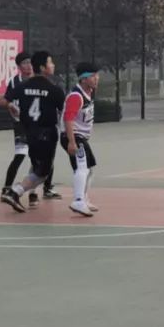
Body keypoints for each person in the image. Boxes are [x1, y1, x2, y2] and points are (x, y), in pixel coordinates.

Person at [1, 51, 65, 214]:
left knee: (37, 167)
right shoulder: (54, 89)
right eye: (50, 62)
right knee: (43, 172)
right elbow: (64, 112)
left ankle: (28, 194)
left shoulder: (23, 86)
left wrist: (7, 105)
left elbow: (5, 100)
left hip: (29, 132)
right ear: (42, 67)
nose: (53, 65)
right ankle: (15, 192)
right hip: (47, 134)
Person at [62, 62, 100, 217]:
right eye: (93, 76)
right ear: (83, 79)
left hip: (81, 137)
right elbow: (68, 119)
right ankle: (78, 201)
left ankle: (84, 198)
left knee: (89, 169)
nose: (96, 78)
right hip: (73, 136)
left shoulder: (89, 93)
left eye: (97, 75)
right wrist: (71, 142)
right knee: (82, 167)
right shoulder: (76, 96)